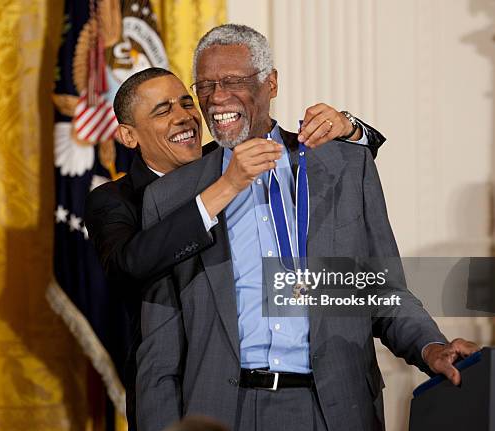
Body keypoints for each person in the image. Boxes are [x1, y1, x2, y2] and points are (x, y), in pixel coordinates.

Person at [135, 24, 479, 431]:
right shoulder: (175, 197)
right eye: (205, 85)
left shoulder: (345, 168)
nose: (217, 98)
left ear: (271, 83)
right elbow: (159, 349)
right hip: (223, 412)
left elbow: (381, 291)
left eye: (233, 81)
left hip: (333, 408)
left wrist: (431, 347)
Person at [84, 67, 387, 429]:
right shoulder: (117, 199)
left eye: (186, 102)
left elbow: (333, 157)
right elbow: (128, 264)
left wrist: (348, 125)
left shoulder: (225, 158)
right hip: (184, 398)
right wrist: (226, 187)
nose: (184, 116)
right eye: (163, 110)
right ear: (129, 136)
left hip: (312, 393)